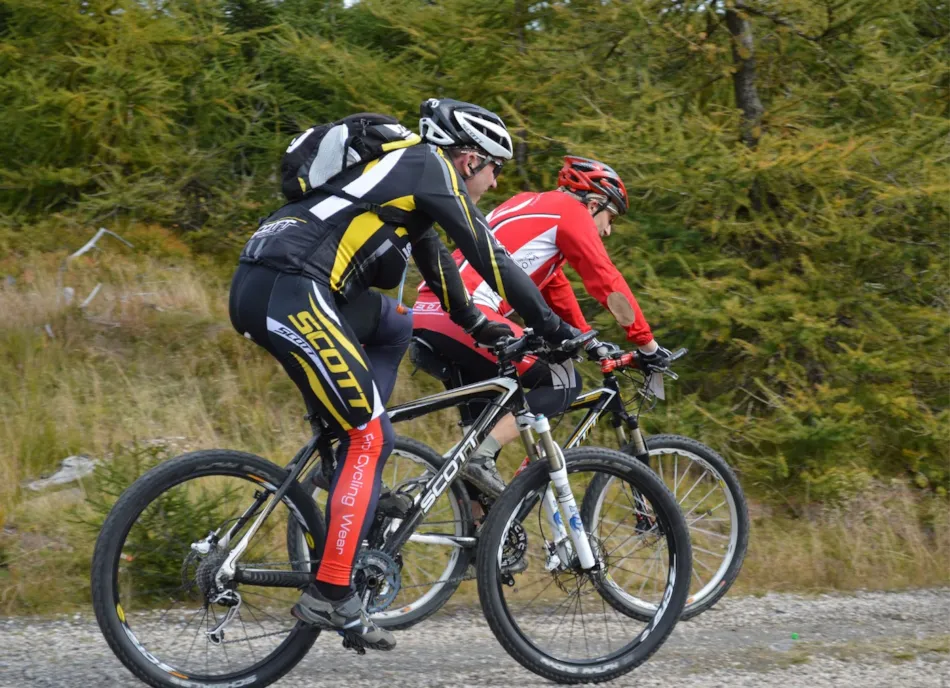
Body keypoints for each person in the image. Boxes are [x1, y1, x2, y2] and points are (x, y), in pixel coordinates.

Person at [228, 98, 579, 651]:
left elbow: (436, 261)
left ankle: (346, 462)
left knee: (395, 323)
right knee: (369, 435)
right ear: (469, 160)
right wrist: (553, 327)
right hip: (292, 288)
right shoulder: (427, 165)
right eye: (495, 170)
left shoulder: (404, 180)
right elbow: (487, 252)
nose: (493, 182)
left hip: (271, 281)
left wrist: (477, 325)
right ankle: (331, 591)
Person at [413, 156, 672, 496]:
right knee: (563, 379)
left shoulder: (526, 204)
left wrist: (587, 341)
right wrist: (647, 345)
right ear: (594, 203)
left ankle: (475, 534)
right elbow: (607, 282)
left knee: (480, 438)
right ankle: (480, 457)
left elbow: (554, 288)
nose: (608, 230)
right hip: (466, 314)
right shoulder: (570, 211)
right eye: (610, 218)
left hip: (427, 310)